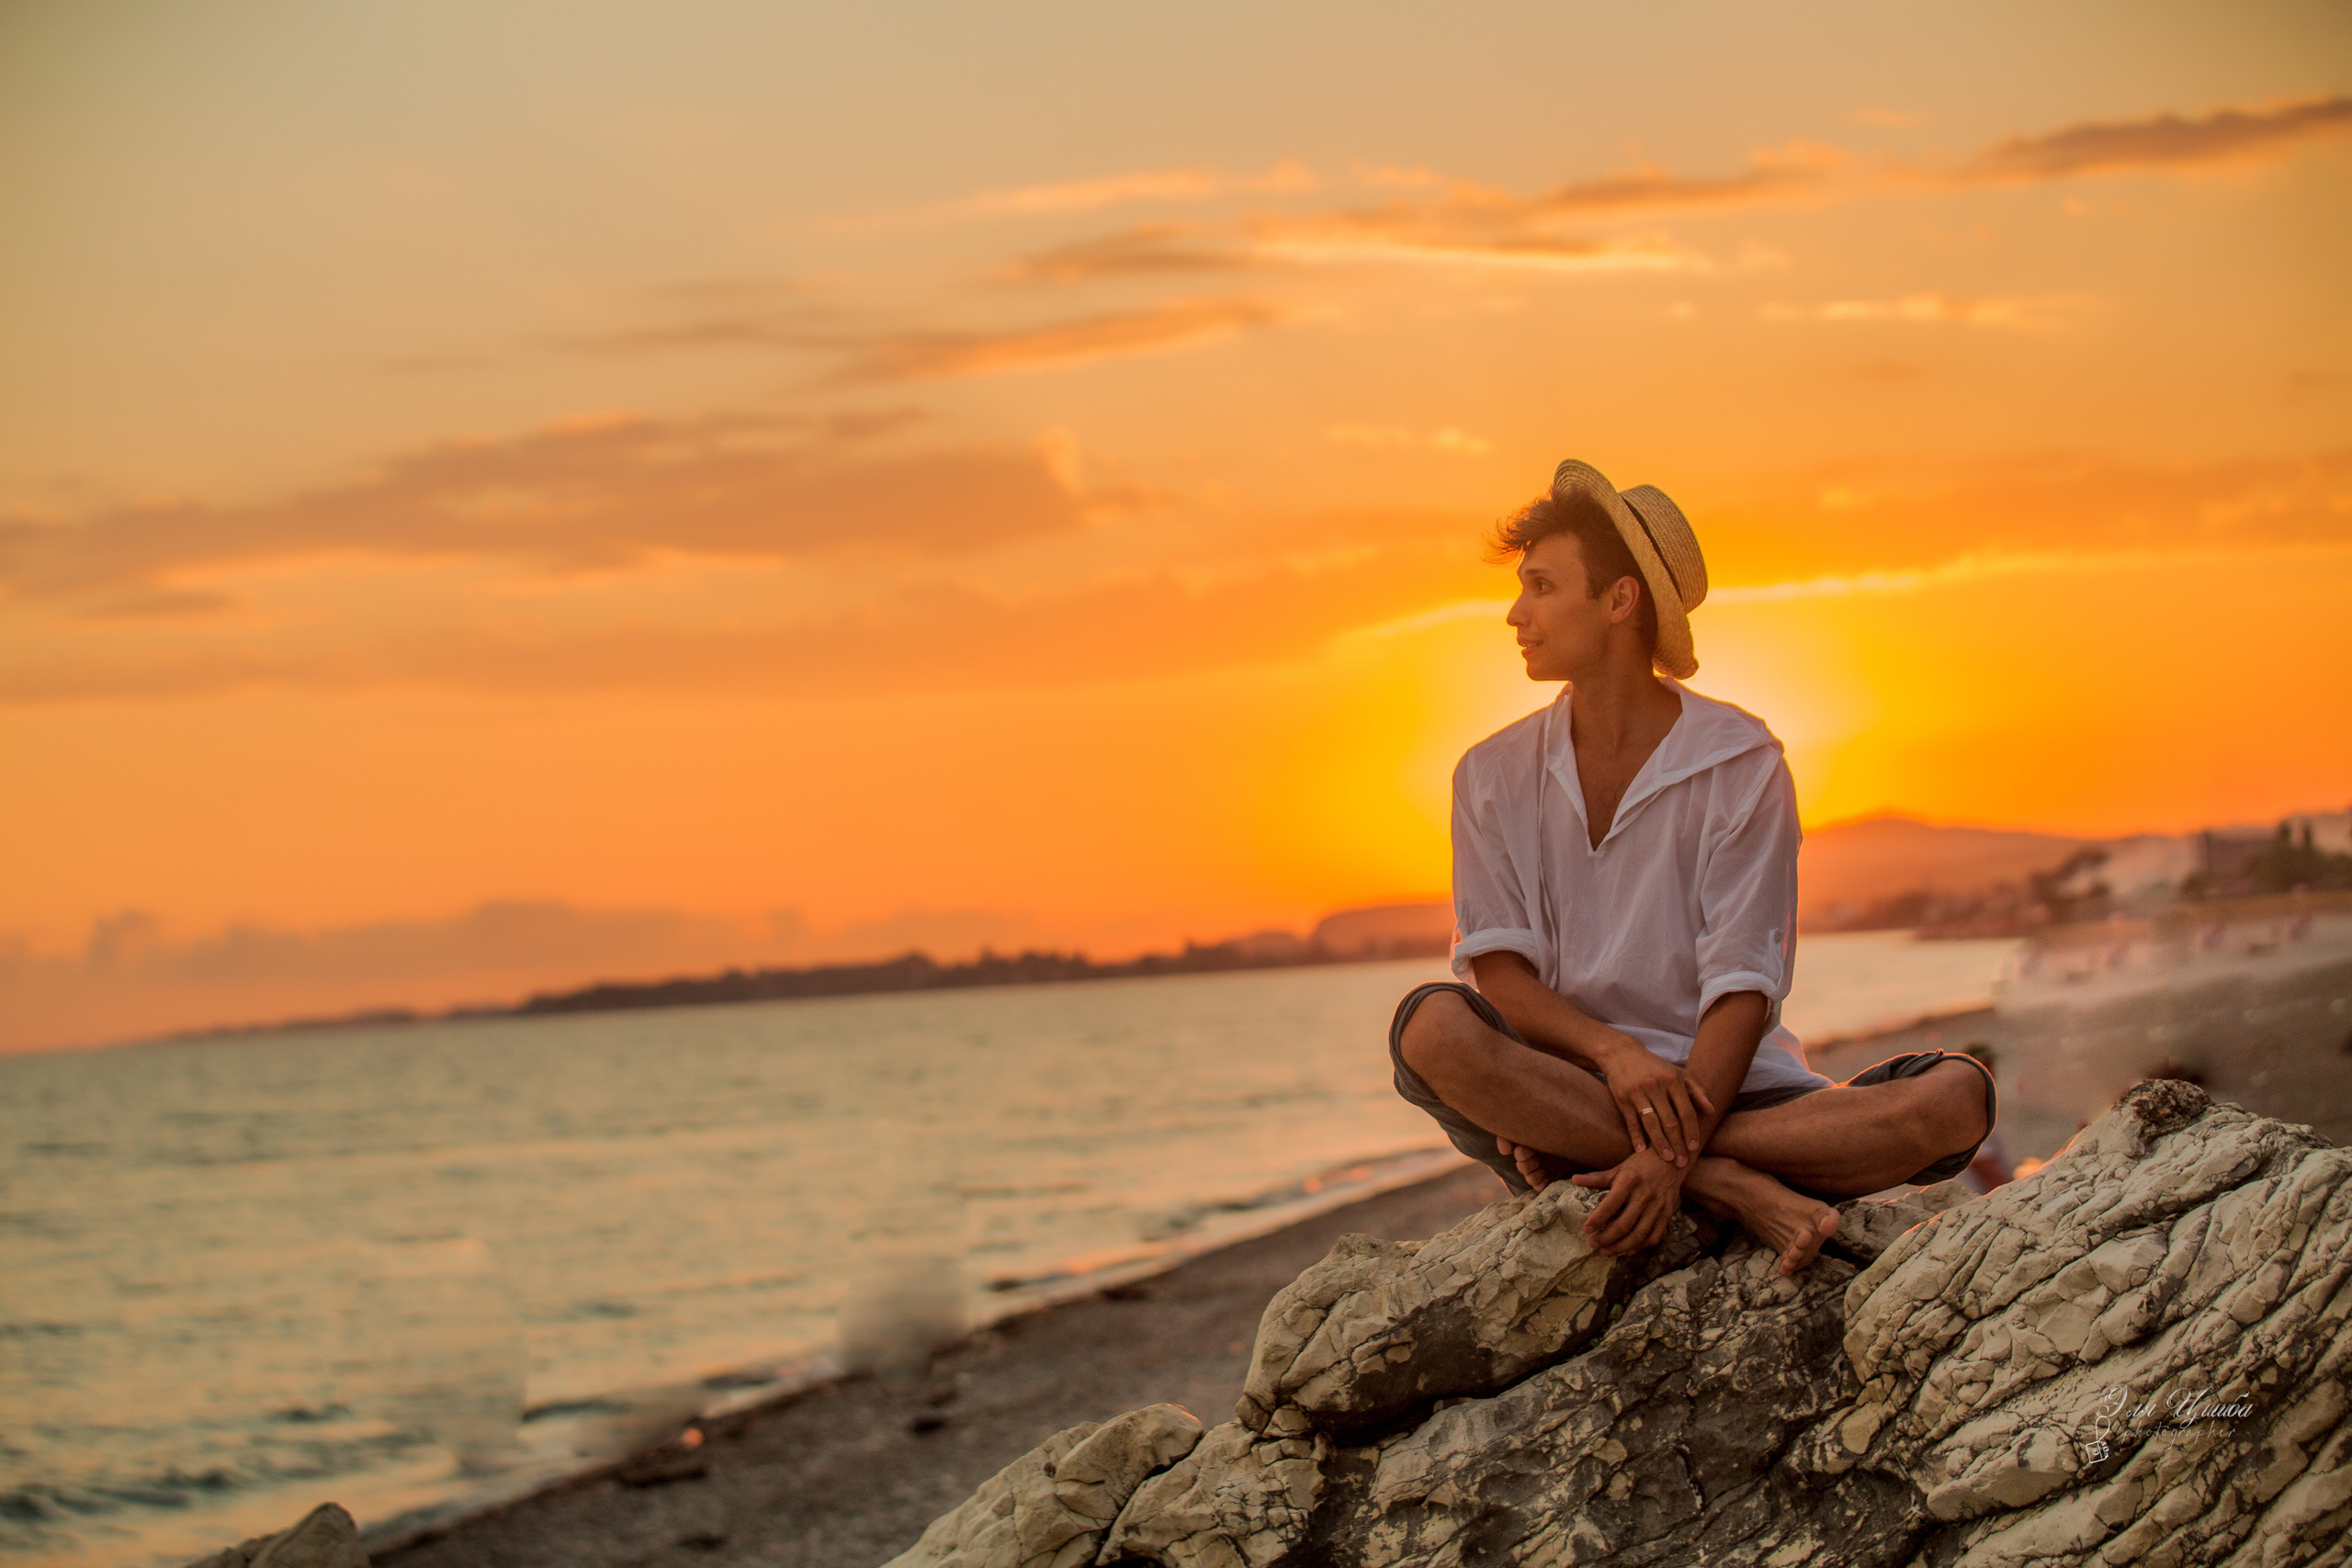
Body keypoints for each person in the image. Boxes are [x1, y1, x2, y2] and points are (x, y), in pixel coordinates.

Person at [1389, 460, 1997, 1276]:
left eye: (1541, 585)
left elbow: (1745, 978)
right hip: (1570, 1080)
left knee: (1957, 1098)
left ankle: (1644, 1159)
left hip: (1723, 1090)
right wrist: (1613, 1056)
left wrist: (1672, 1151)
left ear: (1618, 601)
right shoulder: (1490, 773)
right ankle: (1735, 1182)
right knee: (1430, 1027)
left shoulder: (1740, 759)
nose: (1515, 612)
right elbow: (1498, 968)